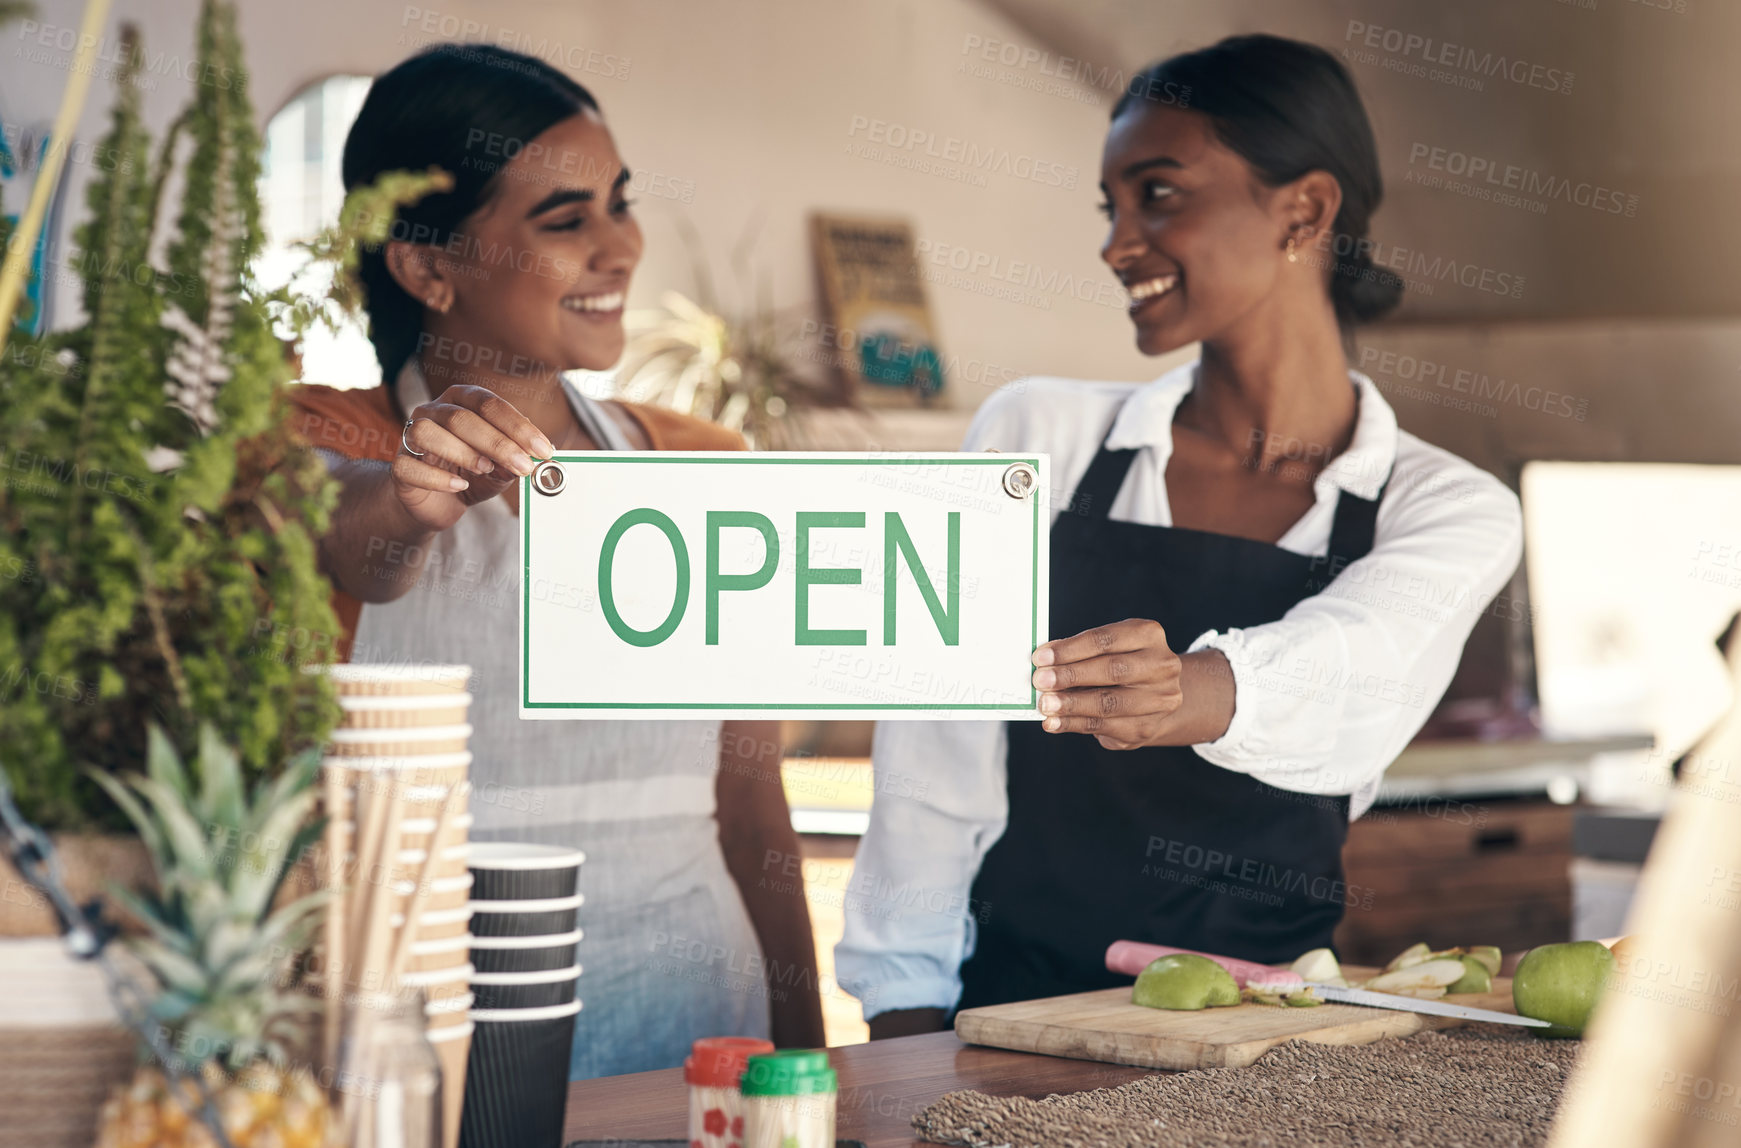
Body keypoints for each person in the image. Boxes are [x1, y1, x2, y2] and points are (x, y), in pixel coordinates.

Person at [836, 34, 1525, 1034]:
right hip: (1006, 1018)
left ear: (1305, 209)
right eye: (1110, 206)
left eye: (1157, 194)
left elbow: (1362, 670)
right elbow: (929, 764)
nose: (1117, 241)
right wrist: (902, 1016)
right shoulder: (1037, 433)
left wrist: (1192, 689)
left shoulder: (1445, 501)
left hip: (1269, 1036)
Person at [288, 44, 824, 1076]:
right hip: (412, 1042)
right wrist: (413, 497)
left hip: (689, 1022)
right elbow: (355, 547)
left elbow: (754, 802)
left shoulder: (706, 467)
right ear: (426, 266)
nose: (621, 247)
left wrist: (806, 1069)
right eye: (565, 220)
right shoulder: (313, 442)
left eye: (618, 204)